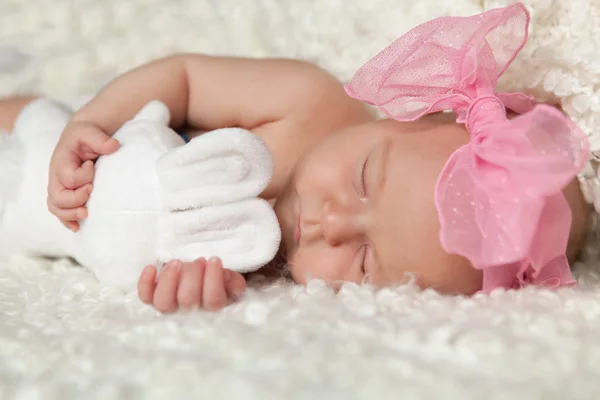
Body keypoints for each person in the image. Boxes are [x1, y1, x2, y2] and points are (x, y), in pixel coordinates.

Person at [1, 3, 592, 313]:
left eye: (365, 264)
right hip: (109, 133)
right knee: (24, 117)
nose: (332, 224)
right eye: (364, 178)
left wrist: (188, 287)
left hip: (83, 232)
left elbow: (162, 265)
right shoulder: (308, 103)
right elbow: (180, 77)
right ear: (406, 116)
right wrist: (89, 125)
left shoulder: (269, 278)